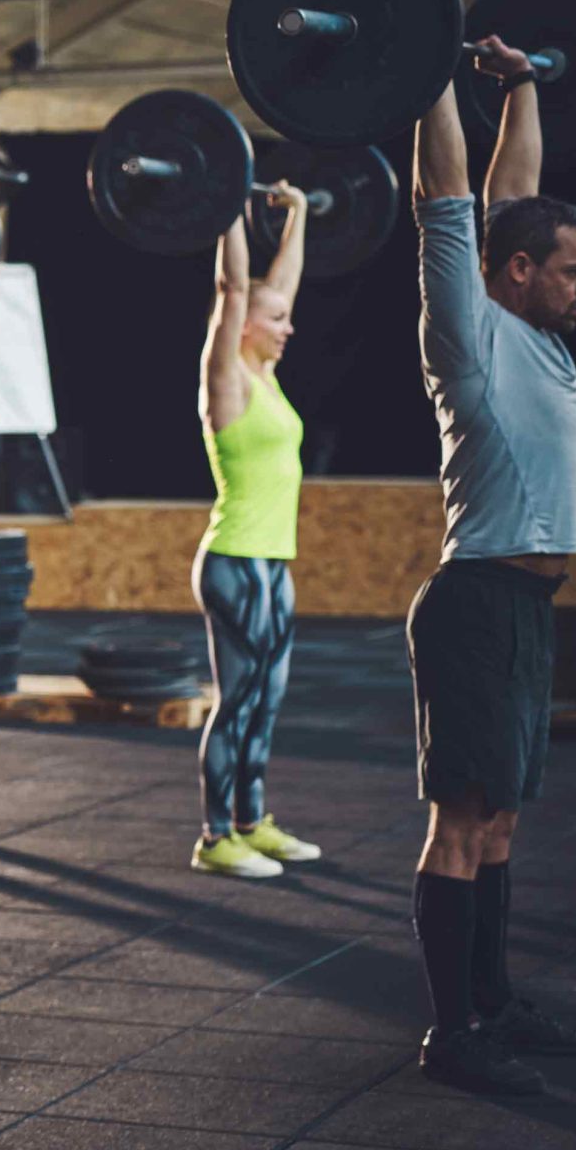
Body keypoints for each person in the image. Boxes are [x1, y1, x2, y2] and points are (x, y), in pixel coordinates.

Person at [406, 39, 576, 1096]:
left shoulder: (536, 330)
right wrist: (421, 70)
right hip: (475, 599)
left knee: (502, 817)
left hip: (524, 607)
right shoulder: (469, 327)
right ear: (516, 273)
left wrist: (519, 80)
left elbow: (509, 196)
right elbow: (450, 196)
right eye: (569, 269)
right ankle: (452, 1032)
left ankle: (491, 1001)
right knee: (460, 819)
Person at [189, 201, 326, 878]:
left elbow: (280, 286)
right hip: (236, 560)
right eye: (276, 321)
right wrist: (225, 201)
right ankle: (215, 838)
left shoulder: (266, 378)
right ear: (243, 326)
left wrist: (297, 216)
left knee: (267, 701)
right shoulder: (229, 381)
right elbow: (234, 289)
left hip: (274, 561)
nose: (288, 327)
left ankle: (253, 820)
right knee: (237, 700)